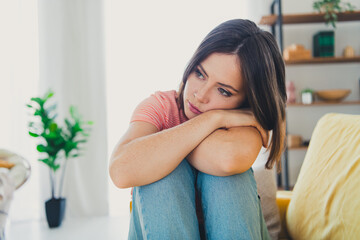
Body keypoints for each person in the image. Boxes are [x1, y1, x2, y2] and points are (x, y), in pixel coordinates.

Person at [109, 19, 286, 239]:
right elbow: (120, 171)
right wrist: (216, 118)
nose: (200, 95)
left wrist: (159, 150)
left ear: (247, 101)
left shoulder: (246, 121)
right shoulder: (161, 107)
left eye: (223, 91)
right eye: (200, 74)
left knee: (227, 177)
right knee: (162, 176)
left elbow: (227, 159)